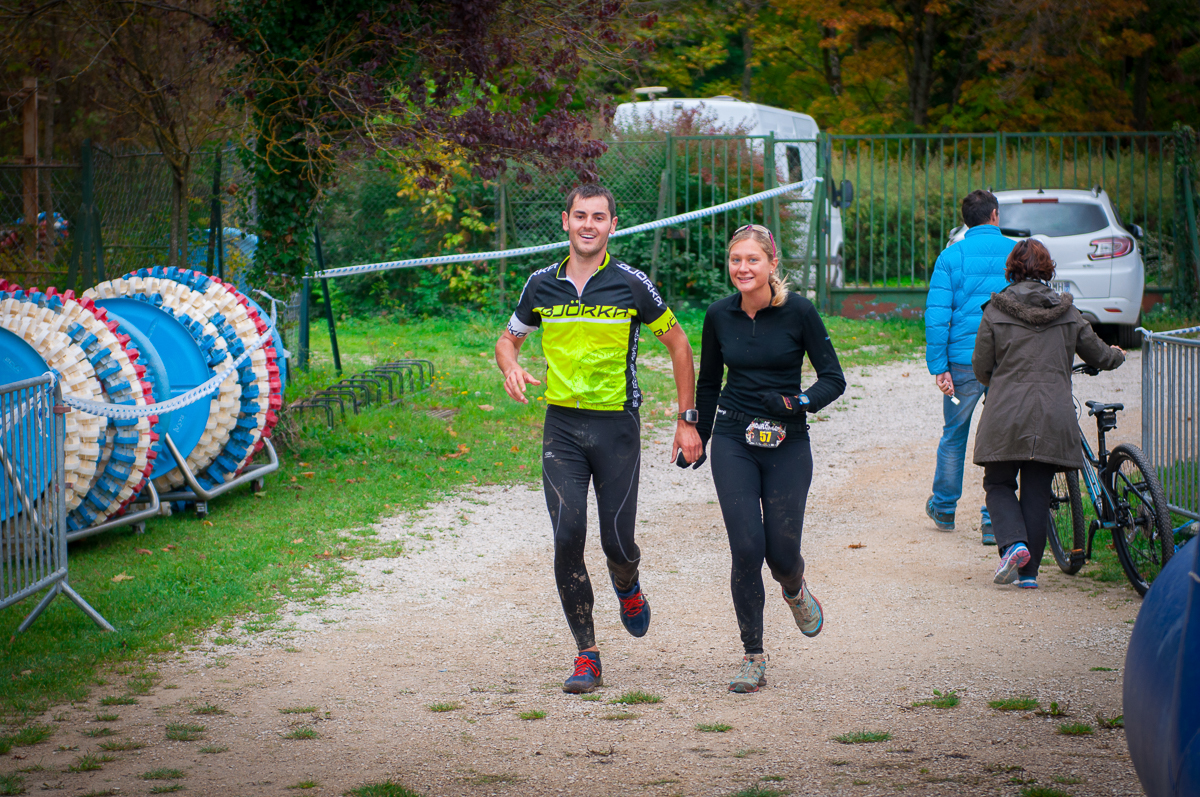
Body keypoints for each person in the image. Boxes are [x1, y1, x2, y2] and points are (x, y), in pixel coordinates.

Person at [494, 183, 703, 694]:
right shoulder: (541, 284)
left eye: (599, 217)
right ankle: (587, 654)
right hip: (562, 428)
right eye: (581, 215)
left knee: (617, 541)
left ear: (613, 225)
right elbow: (508, 338)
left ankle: (627, 584)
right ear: (565, 220)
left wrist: (687, 419)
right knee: (567, 535)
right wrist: (510, 365)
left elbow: (679, 344)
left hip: (617, 428)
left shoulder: (632, 284)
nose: (589, 225)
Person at [691, 224, 845, 693]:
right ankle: (753, 656)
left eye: (752, 259)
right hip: (734, 437)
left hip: (787, 441)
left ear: (772, 263)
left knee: (781, 555)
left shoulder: (799, 312)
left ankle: (794, 587)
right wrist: (698, 434)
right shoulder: (719, 315)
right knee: (746, 548)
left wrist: (798, 402)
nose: (743, 268)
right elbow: (708, 382)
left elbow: (833, 378)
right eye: (736, 260)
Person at [972, 239, 1124, 589]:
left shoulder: (994, 311)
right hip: (1054, 416)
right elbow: (1099, 354)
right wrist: (1118, 355)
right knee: (1037, 490)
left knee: (998, 483)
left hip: (1006, 414)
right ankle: (1028, 575)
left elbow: (981, 366)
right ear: (1047, 269)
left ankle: (1014, 544)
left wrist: (1000, 382)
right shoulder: (1068, 313)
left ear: (1012, 268)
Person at [925, 189, 1017, 545]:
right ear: (995, 215)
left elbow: (937, 316)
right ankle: (994, 520)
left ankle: (944, 508)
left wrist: (939, 367)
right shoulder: (1015, 253)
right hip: (1006, 359)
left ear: (965, 221)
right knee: (1003, 438)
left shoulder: (951, 256)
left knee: (954, 434)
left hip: (963, 362)